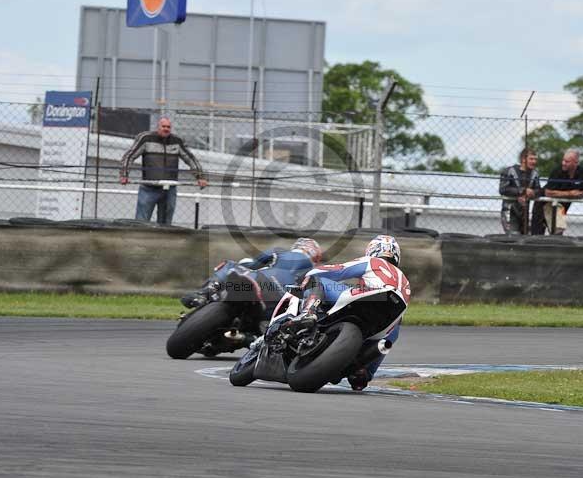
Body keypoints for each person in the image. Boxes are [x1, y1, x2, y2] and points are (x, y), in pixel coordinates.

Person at [298, 234, 409, 391]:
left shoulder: (371, 261)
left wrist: (310, 273)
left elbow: (339, 270)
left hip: (369, 297)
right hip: (388, 317)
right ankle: (363, 370)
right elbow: (392, 333)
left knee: (317, 281)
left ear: (372, 250)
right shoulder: (404, 280)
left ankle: (308, 313)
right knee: (395, 328)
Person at [183, 237, 323, 312]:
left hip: (260, 282)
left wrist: (245, 267)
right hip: (281, 302)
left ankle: (204, 293)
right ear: (315, 258)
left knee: (231, 265)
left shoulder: (280, 251)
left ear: (297, 247)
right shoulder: (315, 274)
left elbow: (252, 265)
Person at [119, 116, 208, 225]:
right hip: (148, 188)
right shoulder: (145, 138)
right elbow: (129, 156)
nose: (166, 129)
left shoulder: (177, 141)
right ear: (158, 127)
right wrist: (124, 174)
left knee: (165, 225)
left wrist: (200, 177)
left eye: (168, 127)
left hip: (169, 190)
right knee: (141, 223)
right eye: (163, 126)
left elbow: (190, 158)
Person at [531, 149, 583, 235]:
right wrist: (570, 194)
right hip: (543, 205)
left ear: (576, 162)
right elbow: (548, 192)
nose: (563, 163)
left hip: (561, 206)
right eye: (563, 160)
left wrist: (560, 194)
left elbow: (582, 194)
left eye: (567, 161)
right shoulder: (557, 171)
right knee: (537, 235)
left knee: (558, 232)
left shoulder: (582, 173)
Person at [498, 147, 541, 234]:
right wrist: (522, 191)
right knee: (513, 237)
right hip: (510, 211)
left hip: (525, 213)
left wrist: (532, 193)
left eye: (535, 159)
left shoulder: (535, 173)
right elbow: (503, 189)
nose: (534, 162)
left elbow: (539, 190)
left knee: (525, 238)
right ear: (523, 159)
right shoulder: (509, 171)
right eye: (531, 159)